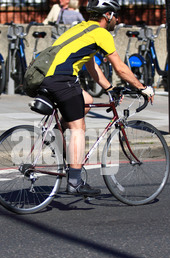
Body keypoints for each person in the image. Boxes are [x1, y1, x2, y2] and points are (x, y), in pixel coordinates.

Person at [38, 0, 155, 197]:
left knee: (87, 101)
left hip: (46, 77)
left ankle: (57, 132)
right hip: (61, 80)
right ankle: (75, 182)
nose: (117, 19)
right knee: (78, 128)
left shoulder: (82, 29)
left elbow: (91, 66)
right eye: (116, 15)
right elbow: (120, 67)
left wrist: (109, 88)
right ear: (108, 15)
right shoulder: (101, 33)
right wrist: (142, 88)